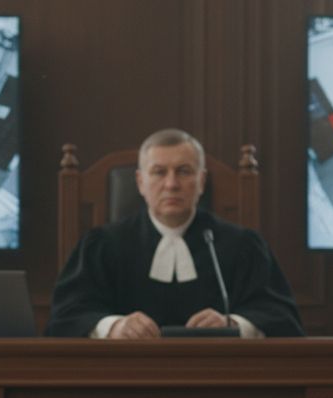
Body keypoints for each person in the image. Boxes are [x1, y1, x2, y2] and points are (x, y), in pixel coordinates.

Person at [46, 128, 303, 338]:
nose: (171, 184)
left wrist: (233, 325)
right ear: (140, 182)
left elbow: (281, 316)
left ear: (201, 181)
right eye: (159, 172)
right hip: (126, 376)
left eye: (184, 171)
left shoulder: (242, 245)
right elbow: (66, 316)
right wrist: (114, 327)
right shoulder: (103, 245)